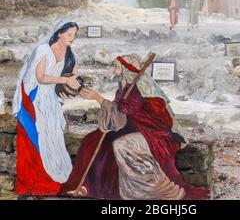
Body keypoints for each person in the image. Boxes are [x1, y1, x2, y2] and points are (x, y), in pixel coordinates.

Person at [61, 54, 210, 200]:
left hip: (149, 132)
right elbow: (118, 114)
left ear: (126, 70)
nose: (114, 70)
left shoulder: (136, 90)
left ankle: (154, 190)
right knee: (91, 140)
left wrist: (98, 98)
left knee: (119, 145)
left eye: (117, 67)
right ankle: (88, 186)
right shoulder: (122, 88)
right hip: (129, 127)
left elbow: (124, 112)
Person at [12, 20, 81, 196]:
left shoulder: (71, 54)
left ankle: (54, 177)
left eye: (74, 35)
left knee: (53, 137)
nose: (72, 38)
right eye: (69, 34)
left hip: (51, 98)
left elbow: (72, 77)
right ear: (59, 33)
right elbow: (41, 77)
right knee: (36, 136)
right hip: (34, 97)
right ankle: (33, 181)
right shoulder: (43, 50)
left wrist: (71, 87)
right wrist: (65, 80)